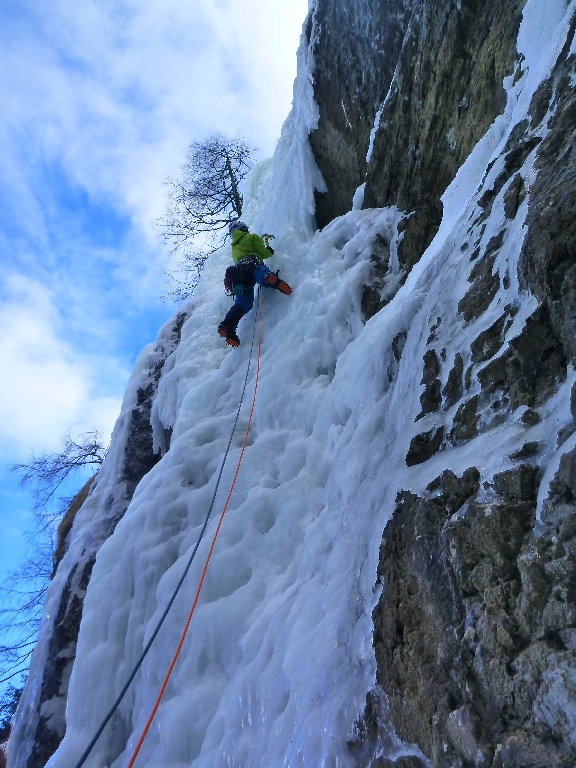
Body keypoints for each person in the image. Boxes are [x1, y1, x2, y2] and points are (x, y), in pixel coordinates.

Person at [218, 221, 292, 347]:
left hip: (239, 277)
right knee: (260, 272)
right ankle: (268, 278)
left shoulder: (234, 246)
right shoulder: (251, 237)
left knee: (243, 304)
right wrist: (269, 250)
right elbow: (264, 254)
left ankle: (228, 325)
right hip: (252, 264)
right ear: (243, 228)